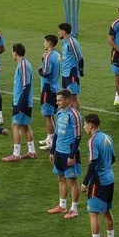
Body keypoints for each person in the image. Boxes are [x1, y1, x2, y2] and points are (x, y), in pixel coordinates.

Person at [80, 114, 116, 237]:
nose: (84, 127)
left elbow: (93, 163)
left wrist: (85, 182)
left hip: (98, 180)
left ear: (91, 125)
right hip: (110, 178)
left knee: (93, 213)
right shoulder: (107, 137)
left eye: (85, 124)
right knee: (106, 211)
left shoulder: (93, 141)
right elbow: (112, 158)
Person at [47, 90, 83, 219]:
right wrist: (52, 151)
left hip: (70, 153)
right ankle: (62, 205)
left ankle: (74, 209)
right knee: (61, 178)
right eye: (57, 100)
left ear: (67, 100)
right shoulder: (60, 112)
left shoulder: (75, 115)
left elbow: (78, 136)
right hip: (59, 152)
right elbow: (56, 133)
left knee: (72, 180)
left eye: (59, 100)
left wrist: (71, 155)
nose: (57, 102)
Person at [2, 44, 37, 162]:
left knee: (15, 126)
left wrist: (21, 104)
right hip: (23, 101)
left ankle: (16, 154)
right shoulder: (23, 64)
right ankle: (31, 151)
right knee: (25, 126)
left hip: (22, 101)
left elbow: (26, 85)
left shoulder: (23, 65)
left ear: (16, 52)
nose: (12, 54)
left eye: (12, 52)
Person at [38, 34, 61, 151]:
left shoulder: (48, 56)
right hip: (56, 87)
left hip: (48, 88)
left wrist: (39, 69)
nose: (44, 44)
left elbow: (46, 72)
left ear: (49, 43)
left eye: (45, 42)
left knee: (48, 115)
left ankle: (51, 141)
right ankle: (50, 138)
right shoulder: (57, 55)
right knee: (52, 115)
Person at [58, 23, 84, 110]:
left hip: (71, 72)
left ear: (64, 32)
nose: (59, 32)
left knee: (73, 96)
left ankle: (76, 117)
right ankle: (70, 115)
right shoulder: (64, 42)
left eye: (60, 31)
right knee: (66, 95)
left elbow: (80, 58)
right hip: (65, 73)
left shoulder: (72, 42)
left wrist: (80, 70)